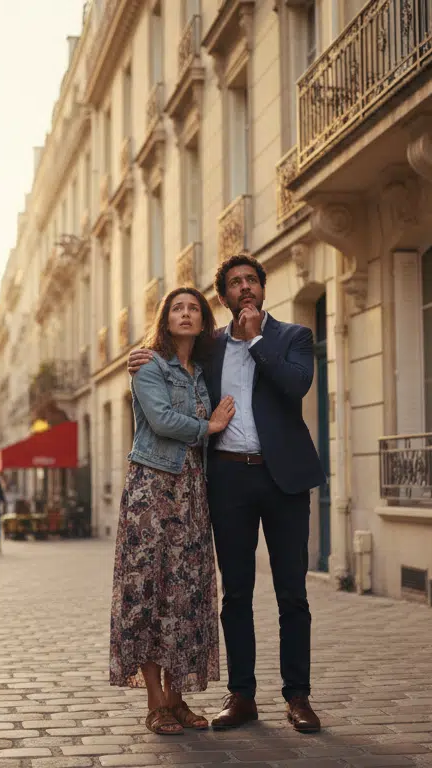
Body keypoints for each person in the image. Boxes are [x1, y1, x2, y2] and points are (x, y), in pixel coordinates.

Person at [127, 254, 325, 734]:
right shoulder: (210, 346)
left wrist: (257, 339)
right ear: (224, 297)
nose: (245, 288)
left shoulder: (292, 337)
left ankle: (297, 697)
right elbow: (173, 368)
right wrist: (142, 357)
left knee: (291, 593)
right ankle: (242, 696)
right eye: (235, 283)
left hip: (284, 481)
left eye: (251, 280)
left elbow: (296, 385)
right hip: (228, 479)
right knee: (235, 593)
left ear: (262, 287)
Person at [110, 286, 235, 736]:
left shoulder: (202, 371)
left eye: (193, 309)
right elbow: (162, 421)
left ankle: (179, 698)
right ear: (165, 319)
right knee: (147, 592)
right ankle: (155, 702)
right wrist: (210, 425)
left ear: (203, 321)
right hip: (152, 491)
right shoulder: (148, 365)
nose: (185, 314)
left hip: (192, 495)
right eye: (177, 308)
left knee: (185, 595)